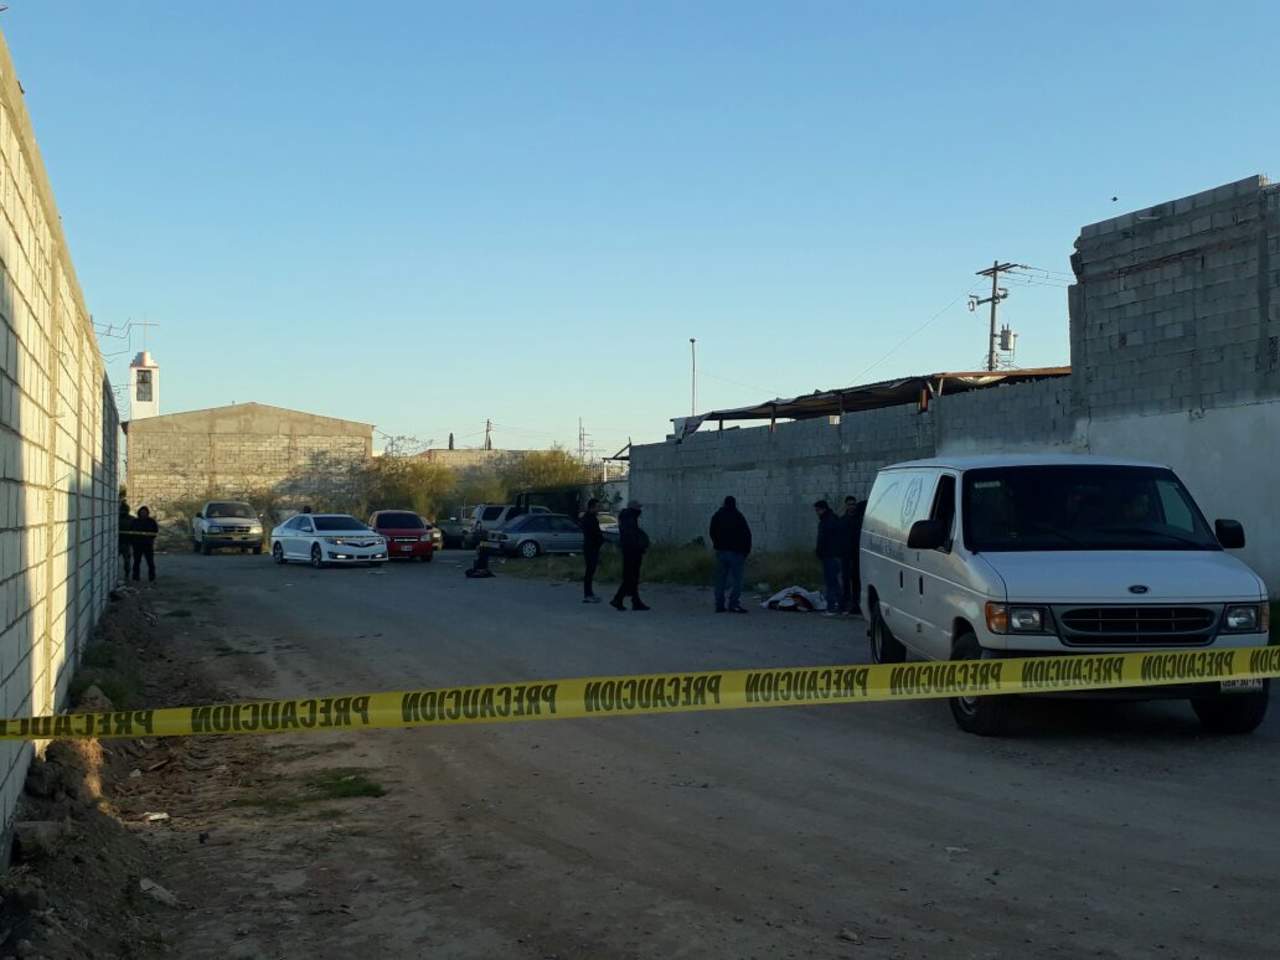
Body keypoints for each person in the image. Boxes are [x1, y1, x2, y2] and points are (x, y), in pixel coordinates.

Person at [709, 495, 752, 613]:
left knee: (720, 580)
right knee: (737, 580)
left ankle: (719, 605)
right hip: (736, 553)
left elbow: (712, 532)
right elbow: (747, 534)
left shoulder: (717, 516)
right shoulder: (738, 516)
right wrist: (746, 551)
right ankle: (733, 604)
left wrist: (717, 545)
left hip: (721, 552)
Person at [610, 500, 650, 611]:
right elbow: (632, 536)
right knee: (631, 577)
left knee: (632, 577)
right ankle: (618, 599)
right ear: (634, 508)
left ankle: (634, 601)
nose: (640, 510)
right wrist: (639, 546)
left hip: (630, 551)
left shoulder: (627, 517)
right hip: (632, 552)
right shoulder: (629, 518)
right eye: (638, 507)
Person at [840, 495, 867, 616]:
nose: (852, 507)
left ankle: (856, 605)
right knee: (846, 581)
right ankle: (846, 604)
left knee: (857, 581)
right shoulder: (843, 521)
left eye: (853, 504)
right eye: (849, 504)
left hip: (857, 556)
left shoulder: (860, 520)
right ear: (846, 506)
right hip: (846, 556)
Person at [814, 500, 842, 616]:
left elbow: (825, 539)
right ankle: (841, 605)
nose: (817, 513)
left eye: (818, 510)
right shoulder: (830, 519)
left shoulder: (828, 521)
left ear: (823, 509)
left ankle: (831, 608)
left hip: (829, 555)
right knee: (834, 582)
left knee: (830, 582)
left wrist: (820, 551)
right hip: (831, 555)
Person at [580, 498, 605, 603]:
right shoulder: (588, 519)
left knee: (591, 571)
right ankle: (588, 595)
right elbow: (594, 533)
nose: (599, 509)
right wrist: (600, 539)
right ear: (592, 507)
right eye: (597, 506)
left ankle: (589, 594)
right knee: (589, 571)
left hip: (592, 547)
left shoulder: (591, 518)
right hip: (590, 548)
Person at [131, 505, 159, 582]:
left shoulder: (151, 521)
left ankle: (152, 578)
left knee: (150, 562)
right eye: (142, 512)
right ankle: (135, 577)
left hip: (148, 545)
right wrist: (133, 541)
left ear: (147, 513)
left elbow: (155, 531)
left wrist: (150, 538)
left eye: (145, 512)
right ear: (139, 513)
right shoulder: (135, 521)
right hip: (137, 545)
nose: (143, 513)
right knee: (136, 562)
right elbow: (131, 531)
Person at [118, 500, 134, 579]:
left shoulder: (131, 519)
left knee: (127, 560)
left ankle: (127, 574)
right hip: (119, 542)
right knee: (125, 560)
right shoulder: (116, 518)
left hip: (126, 542)